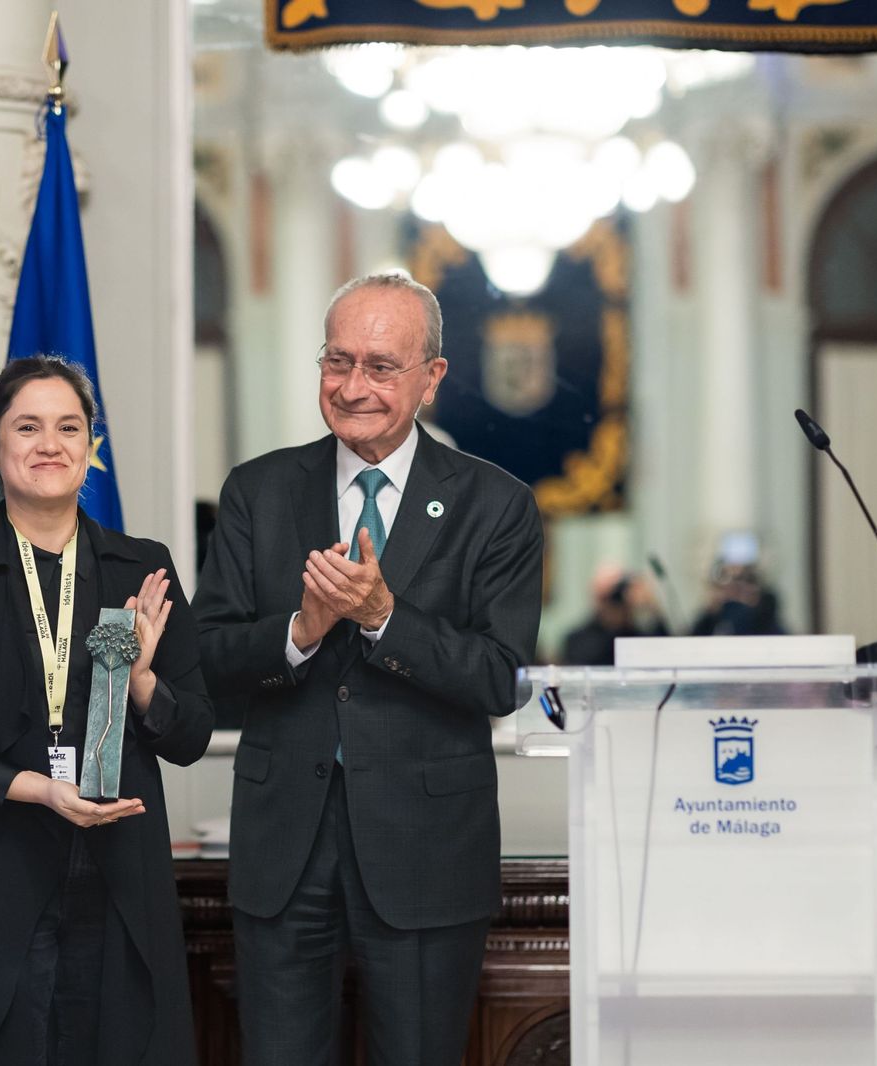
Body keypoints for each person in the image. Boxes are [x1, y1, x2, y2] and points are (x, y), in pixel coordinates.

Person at [194, 272, 544, 1066]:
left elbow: (498, 678)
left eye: (382, 366)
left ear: (432, 376)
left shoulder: (497, 506)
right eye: (338, 361)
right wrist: (300, 629)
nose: (353, 387)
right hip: (284, 844)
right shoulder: (257, 492)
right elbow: (208, 660)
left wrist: (384, 617)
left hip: (427, 845)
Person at [0, 356, 213, 1066]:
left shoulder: (141, 571)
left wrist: (145, 680)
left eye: (69, 428)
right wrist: (35, 788)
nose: (49, 444)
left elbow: (192, 736)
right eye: (26, 427)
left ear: (92, 447)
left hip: (117, 876)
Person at [560, 562, 669, 666]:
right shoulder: (577, 640)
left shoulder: (638, 638)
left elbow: (665, 652)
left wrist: (651, 607)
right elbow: (595, 659)